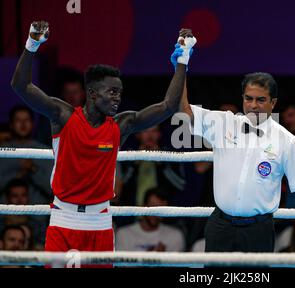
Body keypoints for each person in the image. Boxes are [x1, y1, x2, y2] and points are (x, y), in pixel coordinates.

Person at [10, 21, 196, 257]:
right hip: (63, 218)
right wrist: (32, 43)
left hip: (100, 221)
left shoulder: (121, 124)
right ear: (92, 93)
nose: (117, 98)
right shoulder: (63, 115)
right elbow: (21, 86)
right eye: (112, 92)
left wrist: (183, 60)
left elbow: (168, 106)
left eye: (119, 92)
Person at [174, 33, 295, 252]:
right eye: (249, 98)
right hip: (220, 225)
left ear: (273, 103)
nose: (253, 105)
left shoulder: (286, 140)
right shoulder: (223, 122)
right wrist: (181, 67)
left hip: (259, 230)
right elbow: (184, 110)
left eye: (260, 100)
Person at [0, 105, 53, 204]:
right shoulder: (2, 151)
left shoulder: (46, 151)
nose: (23, 124)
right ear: (11, 124)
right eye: (18, 120)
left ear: (33, 124)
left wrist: (33, 169)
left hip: (38, 216)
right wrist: (18, 174)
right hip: (4, 215)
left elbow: (52, 189)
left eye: (26, 120)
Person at [115, 187, 185, 251]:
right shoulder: (124, 234)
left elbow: (177, 264)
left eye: (161, 209)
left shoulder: (174, 235)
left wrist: (163, 257)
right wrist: (152, 257)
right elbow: (122, 265)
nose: (156, 214)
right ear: (143, 206)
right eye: (153, 207)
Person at [0, 178, 47, 250]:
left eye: (23, 195)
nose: (20, 200)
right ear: (7, 198)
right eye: (15, 196)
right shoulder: (0, 224)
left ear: (28, 197)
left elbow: (44, 251)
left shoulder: (39, 226)